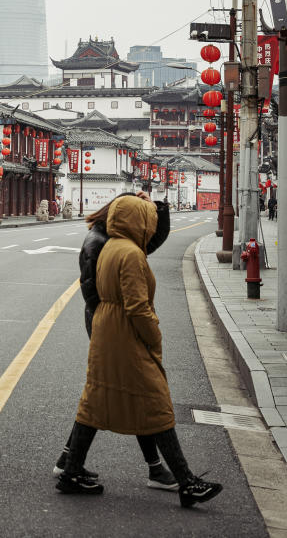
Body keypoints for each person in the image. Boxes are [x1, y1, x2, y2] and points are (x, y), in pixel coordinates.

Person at [56, 195, 223, 509]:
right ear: (137, 221)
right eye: (147, 219)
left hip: (107, 328)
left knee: (96, 398)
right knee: (155, 402)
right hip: (125, 333)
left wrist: (159, 206)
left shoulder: (111, 245)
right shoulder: (131, 254)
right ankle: (186, 482)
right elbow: (137, 307)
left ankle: (72, 469)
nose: (150, 225)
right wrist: (154, 337)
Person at [53, 190, 177, 491]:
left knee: (110, 393)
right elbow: (94, 292)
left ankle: (69, 461)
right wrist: (115, 330)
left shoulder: (119, 240)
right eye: (140, 214)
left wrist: (158, 207)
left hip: (114, 324)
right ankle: (157, 469)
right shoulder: (100, 243)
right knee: (132, 392)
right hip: (109, 325)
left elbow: (153, 239)